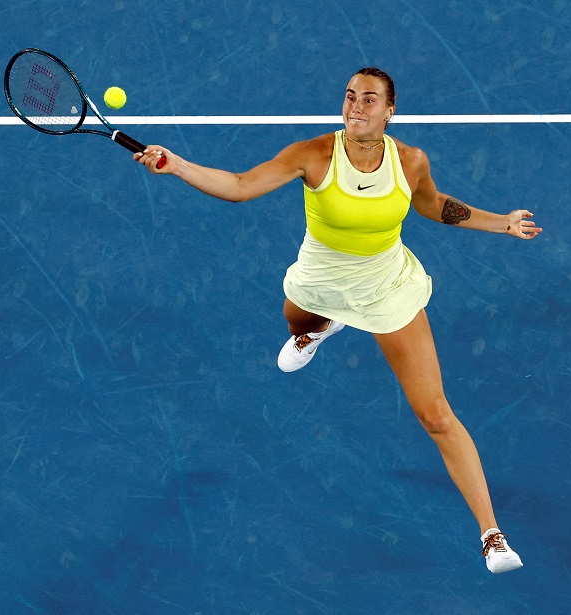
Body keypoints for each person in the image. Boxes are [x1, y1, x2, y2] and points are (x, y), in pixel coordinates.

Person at [134, 68, 541, 574]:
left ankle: (492, 535)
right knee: (294, 320)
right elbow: (239, 186)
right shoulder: (313, 155)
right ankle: (319, 326)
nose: (355, 107)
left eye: (369, 99)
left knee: (436, 414)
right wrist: (177, 165)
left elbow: (433, 205)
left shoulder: (410, 161)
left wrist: (501, 223)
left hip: (385, 286)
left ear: (390, 111)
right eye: (350, 97)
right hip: (320, 280)